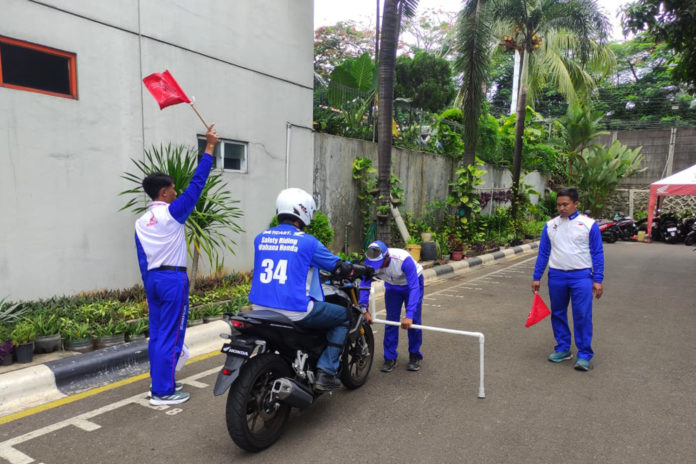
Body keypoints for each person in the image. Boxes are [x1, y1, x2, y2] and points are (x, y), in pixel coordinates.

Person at [248, 187, 366, 391]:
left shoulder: (260, 238)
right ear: (304, 212)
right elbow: (338, 267)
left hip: (259, 308)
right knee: (344, 316)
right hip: (294, 310)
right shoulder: (308, 243)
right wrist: (357, 269)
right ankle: (326, 371)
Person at [135, 124, 219, 405]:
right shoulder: (171, 215)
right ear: (163, 192)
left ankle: (159, 383)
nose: (176, 192)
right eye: (172, 189)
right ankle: (163, 392)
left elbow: (142, 260)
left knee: (158, 335)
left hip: (154, 280)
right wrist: (209, 147)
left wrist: (150, 286)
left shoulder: (140, 222)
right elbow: (197, 185)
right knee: (170, 336)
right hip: (172, 280)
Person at [532, 187, 604, 371]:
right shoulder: (550, 225)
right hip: (557, 276)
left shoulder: (589, 225)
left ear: (575, 204)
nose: (561, 208)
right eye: (559, 205)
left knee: (582, 315)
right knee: (558, 313)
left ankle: (584, 355)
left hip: (581, 277)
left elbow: (597, 253)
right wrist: (537, 276)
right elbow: (543, 253)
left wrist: (598, 279)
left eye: (565, 204)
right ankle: (563, 348)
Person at [359, 240, 424, 372]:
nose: (377, 267)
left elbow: (414, 288)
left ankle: (414, 355)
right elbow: (364, 285)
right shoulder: (370, 262)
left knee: (414, 321)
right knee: (391, 321)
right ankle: (390, 357)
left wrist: (409, 315)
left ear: (387, 256)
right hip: (392, 286)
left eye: (379, 263)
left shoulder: (403, 260)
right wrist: (364, 309)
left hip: (412, 284)